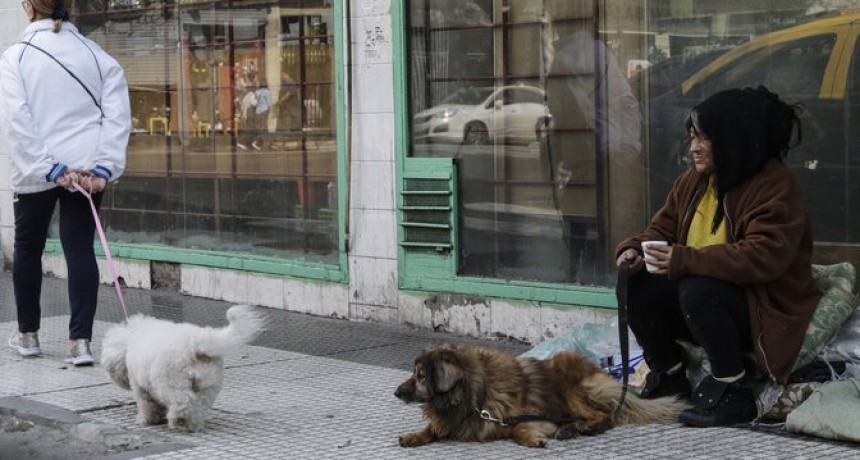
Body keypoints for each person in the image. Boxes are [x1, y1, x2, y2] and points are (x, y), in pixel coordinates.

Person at [614, 86, 821, 427]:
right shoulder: (693, 182)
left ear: (732, 139)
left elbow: (763, 256)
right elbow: (660, 231)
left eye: (704, 138)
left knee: (697, 287)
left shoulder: (775, 185)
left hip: (761, 308)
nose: (693, 147)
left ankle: (733, 388)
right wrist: (633, 250)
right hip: (703, 308)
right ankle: (671, 375)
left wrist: (685, 259)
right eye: (692, 137)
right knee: (637, 283)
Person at [0, 0, 131, 365]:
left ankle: (28, 335)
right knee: (79, 248)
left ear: (28, 8)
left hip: (36, 169)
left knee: (28, 248)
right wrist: (104, 168)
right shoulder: (96, 54)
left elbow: (17, 119)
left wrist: (49, 166)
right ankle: (81, 343)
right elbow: (118, 115)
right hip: (86, 170)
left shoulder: (15, 57)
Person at [252, 79, 272, 151]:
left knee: (259, 128)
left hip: (257, 112)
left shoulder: (257, 92)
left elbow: (254, 103)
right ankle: (257, 142)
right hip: (264, 111)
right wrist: (270, 112)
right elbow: (269, 104)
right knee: (264, 127)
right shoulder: (267, 92)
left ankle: (263, 143)